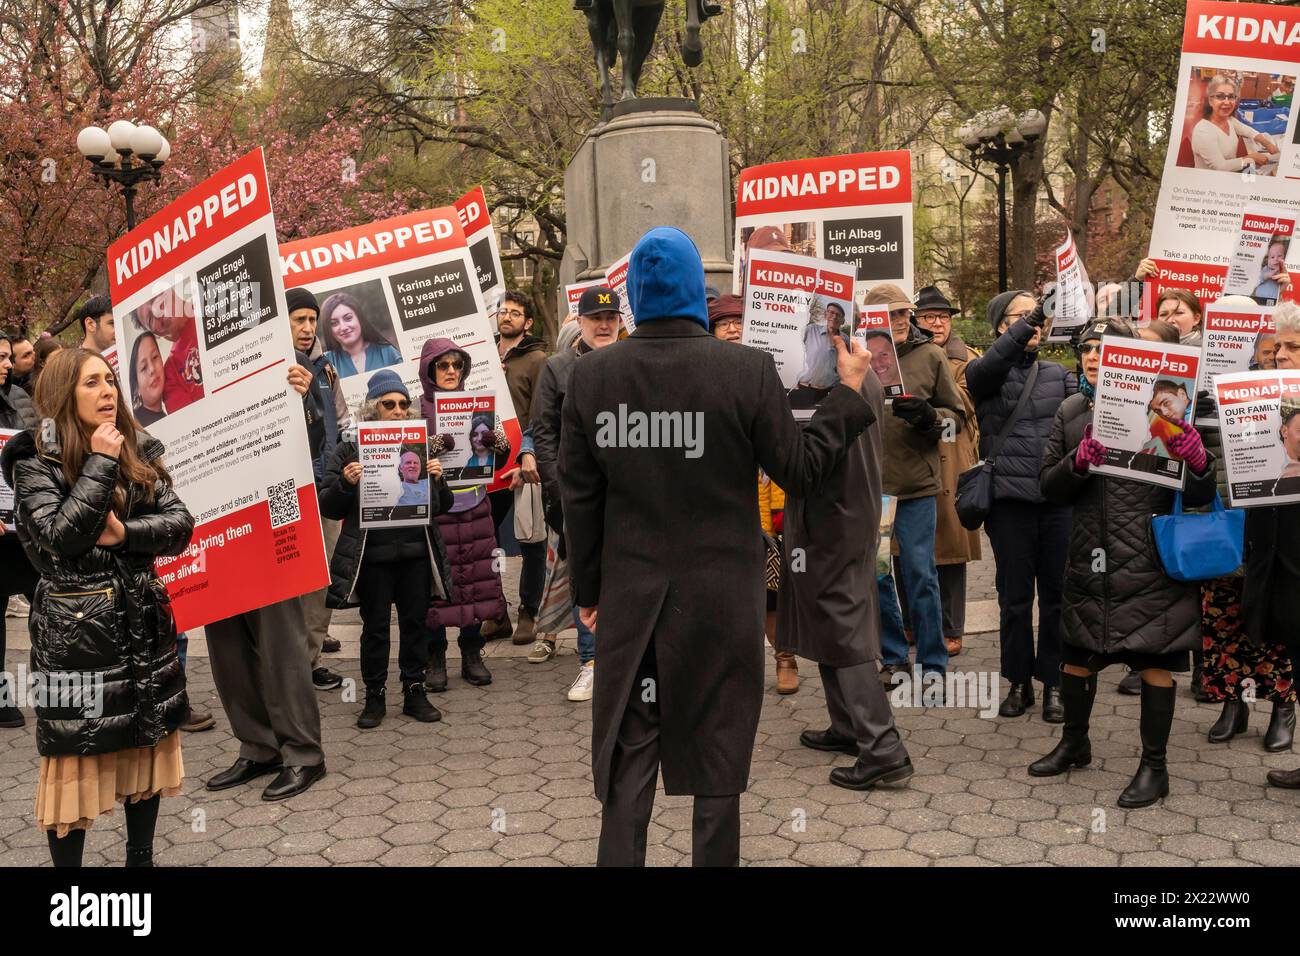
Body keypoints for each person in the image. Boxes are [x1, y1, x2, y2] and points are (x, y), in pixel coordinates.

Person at [560, 226, 875, 866]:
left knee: (629, 750)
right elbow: (803, 471)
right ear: (698, 296)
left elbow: (581, 500)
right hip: (721, 598)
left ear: (635, 298)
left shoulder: (593, 378)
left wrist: (589, 592)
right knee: (719, 754)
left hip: (634, 596)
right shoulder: (745, 369)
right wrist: (846, 392)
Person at [0, 348, 194, 866]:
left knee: (145, 747)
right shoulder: (31, 461)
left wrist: (126, 532)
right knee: (72, 766)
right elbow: (59, 539)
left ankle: (141, 859)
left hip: (142, 623)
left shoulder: (139, 446)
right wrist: (101, 464)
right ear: (64, 394)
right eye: (92, 383)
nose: (108, 391)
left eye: (110, 381)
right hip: (77, 637)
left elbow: (180, 524)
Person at [1030, 319, 1217, 808]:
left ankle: (1155, 769)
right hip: (1090, 554)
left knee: (1156, 662)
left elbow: (1200, 493)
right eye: (1090, 348)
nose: (1097, 355)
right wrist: (1077, 462)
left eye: (1107, 348)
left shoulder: (1173, 409)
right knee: (1076, 655)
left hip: (1151, 556)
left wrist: (1197, 461)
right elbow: (1048, 486)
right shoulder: (1072, 410)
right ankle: (1075, 742)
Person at [781, 348, 914, 789]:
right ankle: (849, 726)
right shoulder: (847, 368)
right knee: (828, 620)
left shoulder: (846, 374)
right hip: (833, 513)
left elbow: (821, 447)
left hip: (835, 516)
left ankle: (882, 747)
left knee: (844, 622)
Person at [204, 357, 328, 802]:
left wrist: (306, 401)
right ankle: (259, 746)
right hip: (211, 527)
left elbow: (315, 442)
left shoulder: (276, 365)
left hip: (270, 519)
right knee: (226, 646)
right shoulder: (184, 379)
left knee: (281, 643)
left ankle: (304, 754)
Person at [964, 291, 1076, 719]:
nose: (1036, 325)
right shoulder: (983, 374)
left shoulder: (1058, 374)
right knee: (1013, 599)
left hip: (1055, 503)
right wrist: (1030, 317)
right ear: (1001, 327)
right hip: (1009, 504)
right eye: (1023, 318)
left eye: (1039, 318)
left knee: (1057, 597)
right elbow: (990, 366)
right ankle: (1017, 682)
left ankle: (1054, 683)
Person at [320, 370, 452, 728]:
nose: (397, 410)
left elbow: (441, 507)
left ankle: (415, 691)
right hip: (374, 559)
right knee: (375, 628)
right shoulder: (350, 449)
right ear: (373, 408)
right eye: (388, 403)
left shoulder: (418, 446)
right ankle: (374, 696)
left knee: (414, 625)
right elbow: (328, 507)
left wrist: (438, 480)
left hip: (415, 555)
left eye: (403, 404)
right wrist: (346, 484)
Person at [867, 282, 965, 696]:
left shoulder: (931, 356)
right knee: (878, 577)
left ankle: (932, 666)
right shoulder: (857, 360)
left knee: (921, 575)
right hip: (871, 489)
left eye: (905, 313)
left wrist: (929, 417)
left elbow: (956, 421)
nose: (902, 320)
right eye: (892, 315)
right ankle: (893, 660)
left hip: (917, 485)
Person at [527, 285, 620, 697]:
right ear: (579, 322)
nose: (604, 324)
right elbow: (543, 432)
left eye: (611, 318)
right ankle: (591, 663)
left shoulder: (629, 361)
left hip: (625, 493)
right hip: (576, 495)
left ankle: (624, 659)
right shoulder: (557, 367)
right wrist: (561, 488)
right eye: (595, 318)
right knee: (587, 575)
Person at [710, 292, 798, 693]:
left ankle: (785, 657)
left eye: (738, 321)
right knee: (737, 588)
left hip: (773, 489)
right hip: (729, 494)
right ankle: (736, 667)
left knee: (777, 581)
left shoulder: (775, 367)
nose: (732, 328)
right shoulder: (708, 373)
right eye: (723, 322)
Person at [419, 337, 512, 691]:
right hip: (436, 512)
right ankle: (435, 656)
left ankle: (472, 654)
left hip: (475, 507)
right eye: (443, 365)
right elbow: (404, 461)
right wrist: (429, 446)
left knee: (475, 582)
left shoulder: (479, 407)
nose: (451, 371)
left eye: (457, 365)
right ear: (429, 370)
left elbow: (498, 460)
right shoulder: (416, 408)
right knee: (437, 586)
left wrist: (499, 446)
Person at [907, 285, 982, 658]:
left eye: (943, 317)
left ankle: (951, 627)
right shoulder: (900, 355)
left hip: (952, 459)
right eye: (927, 317)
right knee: (908, 547)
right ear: (914, 320)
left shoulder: (967, 359)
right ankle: (912, 622)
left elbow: (965, 405)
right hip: (910, 458)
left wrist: (932, 365)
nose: (937, 323)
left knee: (950, 548)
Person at [285, 287, 350, 676]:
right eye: (299, 320)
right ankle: (284, 664)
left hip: (325, 488)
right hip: (290, 491)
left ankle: (310, 662)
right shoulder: (276, 370)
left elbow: (342, 424)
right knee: (290, 576)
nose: (307, 328)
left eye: (312, 320)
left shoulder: (326, 369)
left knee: (322, 576)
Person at [1250, 302, 1300, 788]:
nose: (1280, 355)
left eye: (1292, 347)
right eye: (1277, 347)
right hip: (1279, 555)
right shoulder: (1263, 400)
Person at [484, 291, 548, 647]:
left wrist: (531, 454)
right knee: (487, 539)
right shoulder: (481, 356)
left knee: (531, 538)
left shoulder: (537, 359)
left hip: (524, 461)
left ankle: (528, 610)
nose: (506, 316)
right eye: (502, 311)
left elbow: (541, 413)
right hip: (488, 463)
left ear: (528, 322)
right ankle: (496, 612)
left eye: (515, 313)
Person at [0, 334, 39, 728]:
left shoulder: (22, 398)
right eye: (0, 358)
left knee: (48, 604)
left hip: (25, 524)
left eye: (9, 357)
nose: (8, 364)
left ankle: (55, 689)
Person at [131, 286, 203, 412]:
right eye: (150, 318)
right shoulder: (171, 374)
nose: (157, 312)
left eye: (156, 300)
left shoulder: (210, 301)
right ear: (156, 335)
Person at [1191, 74, 1280, 173]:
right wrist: (1251, 158)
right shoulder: (1203, 131)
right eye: (1220, 96)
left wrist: (1267, 144)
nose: (1227, 102)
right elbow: (1220, 166)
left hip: (1228, 175)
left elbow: (1248, 131)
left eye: (1231, 97)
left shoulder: (1229, 120)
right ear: (1210, 101)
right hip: (1209, 183)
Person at [320, 291, 401, 378]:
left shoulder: (387, 352)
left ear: (359, 318)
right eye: (334, 323)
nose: (343, 327)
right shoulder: (325, 363)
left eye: (348, 318)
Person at [791, 301, 849, 408]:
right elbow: (793, 347)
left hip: (829, 394)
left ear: (842, 320)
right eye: (831, 312)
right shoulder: (811, 330)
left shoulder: (845, 339)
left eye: (838, 315)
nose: (834, 316)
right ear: (825, 314)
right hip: (804, 390)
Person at [128, 332, 167, 426]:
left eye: (155, 357)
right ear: (136, 386)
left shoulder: (168, 414)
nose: (152, 369)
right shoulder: (134, 423)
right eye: (144, 367)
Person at [1254, 239, 1289, 304]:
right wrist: (1267, 275)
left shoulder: (1282, 272)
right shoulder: (1265, 269)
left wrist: (1282, 287)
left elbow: (1282, 288)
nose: (1276, 259)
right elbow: (1258, 278)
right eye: (1272, 257)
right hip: (1258, 299)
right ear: (1268, 260)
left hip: (1272, 301)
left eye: (1279, 256)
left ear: (1284, 258)